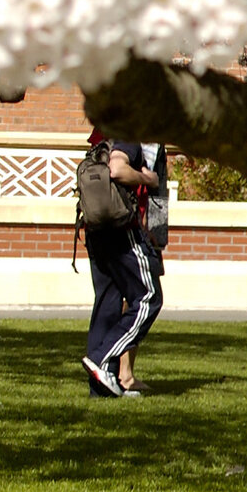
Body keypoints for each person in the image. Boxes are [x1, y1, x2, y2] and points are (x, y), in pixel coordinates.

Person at [80, 133, 164, 399]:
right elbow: (117, 169)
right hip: (122, 230)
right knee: (149, 298)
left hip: (96, 230)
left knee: (107, 304)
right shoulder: (129, 132)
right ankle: (101, 357)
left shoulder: (103, 134)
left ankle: (101, 390)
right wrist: (147, 178)